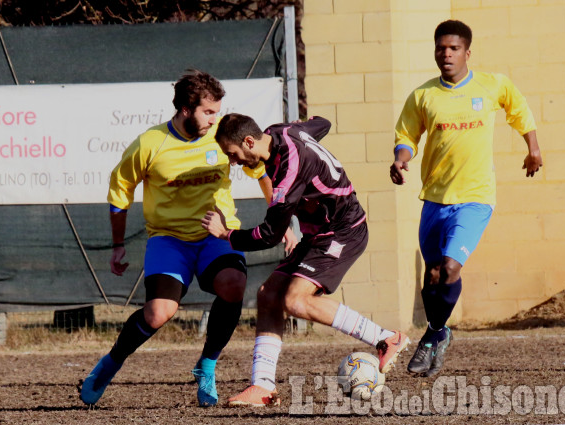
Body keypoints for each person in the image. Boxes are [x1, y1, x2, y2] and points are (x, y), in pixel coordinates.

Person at [80, 69, 296, 407]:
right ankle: (109, 365)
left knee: (234, 284)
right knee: (158, 314)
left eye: (217, 111)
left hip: (216, 235)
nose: (215, 119)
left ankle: (207, 365)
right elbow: (120, 191)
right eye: (208, 112)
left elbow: (261, 171)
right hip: (169, 240)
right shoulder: (150, 144)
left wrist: (282, 222)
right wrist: (118, 244)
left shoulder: (222, 138)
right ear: (185, 110)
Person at [201, 113, 411, 407]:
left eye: (233, 154)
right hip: (320, 234)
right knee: (269, 295)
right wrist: (307, 135)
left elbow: (271, 233)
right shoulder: (281, 132)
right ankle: (262, 386)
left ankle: (387, 338)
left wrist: (226, 234)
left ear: (249, 142)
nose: (233, 162)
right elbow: (322, 123)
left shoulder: (289, 169)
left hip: (342, 231)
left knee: (295, 300)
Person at [390, 20, 543, 378]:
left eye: (454, 48)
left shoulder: (492, 85)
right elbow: (406, 135)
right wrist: (400, 159)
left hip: (475, 198)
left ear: (467, 52)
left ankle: (431, 337)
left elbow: (517, 108)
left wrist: (533, 148)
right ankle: (441, 331)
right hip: (434, 199)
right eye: (441, 48)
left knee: (450, 268)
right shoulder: (423, 95)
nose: (447, 54)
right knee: (432, 277)